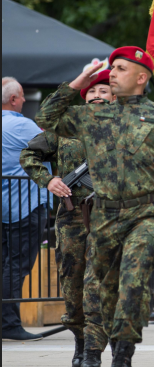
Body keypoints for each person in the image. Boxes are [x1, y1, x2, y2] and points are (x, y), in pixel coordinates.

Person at [33, 46, 154, 366]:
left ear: (141, 77)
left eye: (120, 69)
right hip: (103, 214)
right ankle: (91, 352)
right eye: (112, 68)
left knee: (132, 284)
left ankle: (123, 353)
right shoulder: (94, 115)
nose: (112, 74)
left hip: (144, 215)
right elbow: (45, 118)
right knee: (96, 288)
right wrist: (79, 81)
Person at [19, 69, 114, 366]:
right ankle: (80, 339)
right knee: (72, 284)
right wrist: (47, 181)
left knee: (97, 283)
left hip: (108, 217)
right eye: (92, 92)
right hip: (71, 218)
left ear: (115, 96)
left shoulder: (123, 127)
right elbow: (29, 155)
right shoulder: (65, 127)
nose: (97, 96)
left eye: (104, 91)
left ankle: (93, 350)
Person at [2, 76, 50, 342]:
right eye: (22, 97)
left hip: (5, 206)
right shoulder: (23, 125)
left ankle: (7, 321)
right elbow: (53, 150)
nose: (23, 101)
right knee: (17, 265)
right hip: (25, 205)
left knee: (5, 264)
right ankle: (8, 323)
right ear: (14, 99)